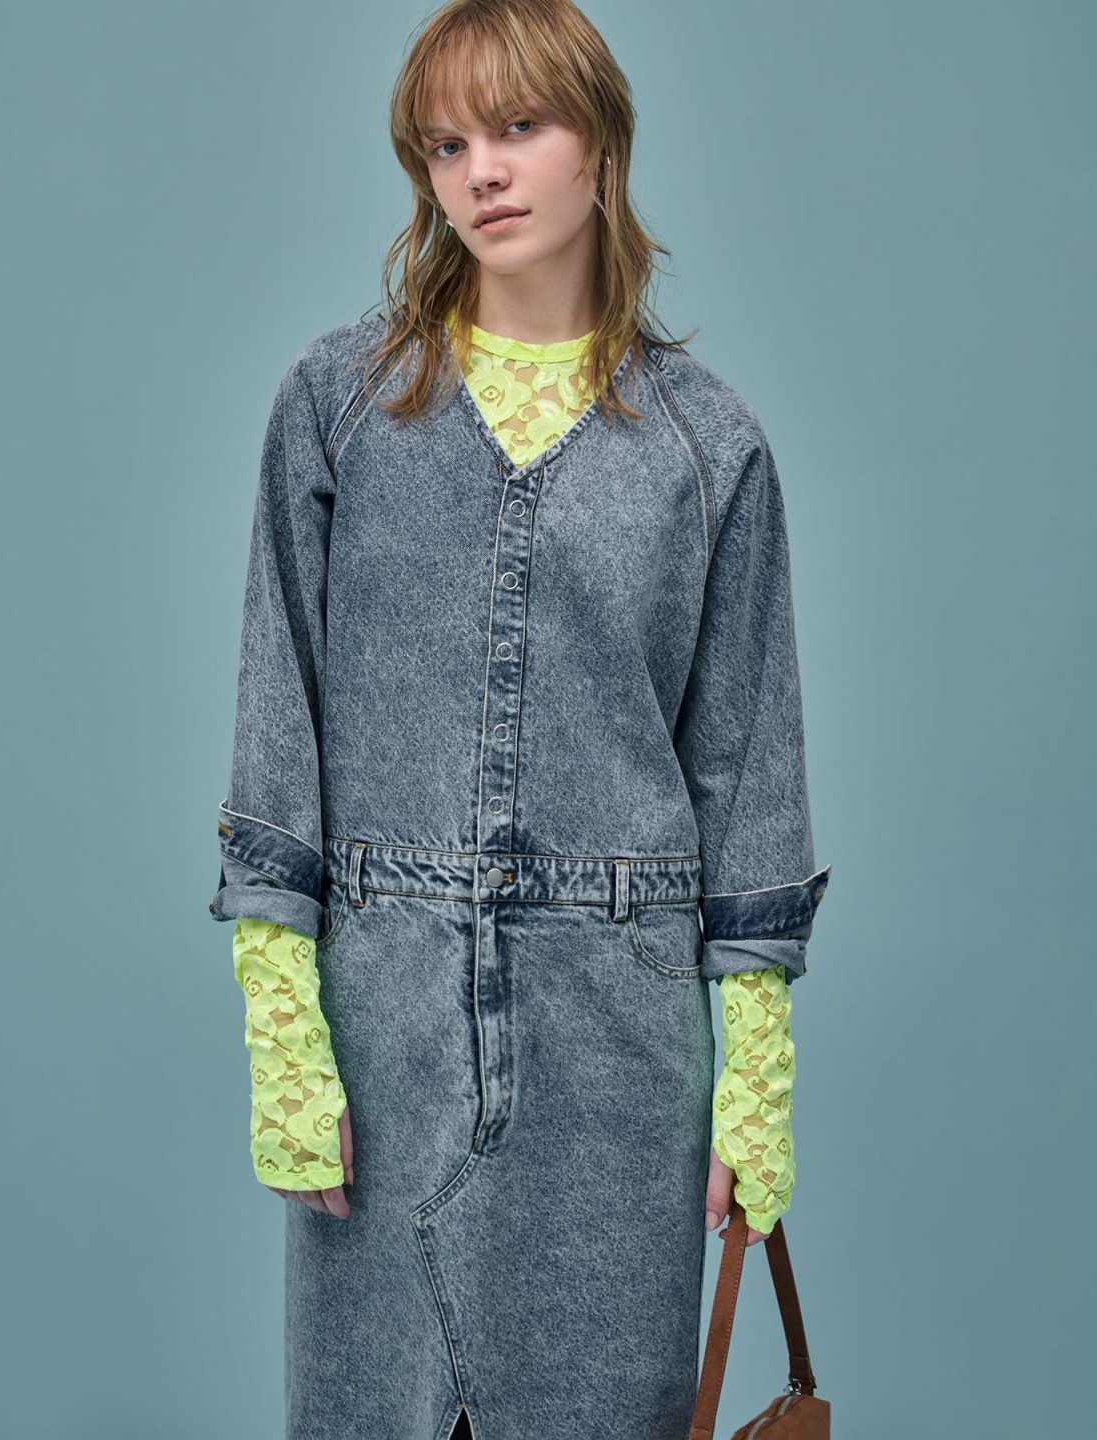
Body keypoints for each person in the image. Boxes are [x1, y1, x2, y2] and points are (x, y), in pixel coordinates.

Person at [208, 2, 831, 1436]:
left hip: (619, 1046)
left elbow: (747, 773)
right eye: (445, 145)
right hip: (388, 1026)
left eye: (517, 127)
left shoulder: (710, 446)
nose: (481, 171)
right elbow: (278, 715)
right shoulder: (339, 407)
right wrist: (282, 1028)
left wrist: (755, 1083)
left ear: (600, 144)